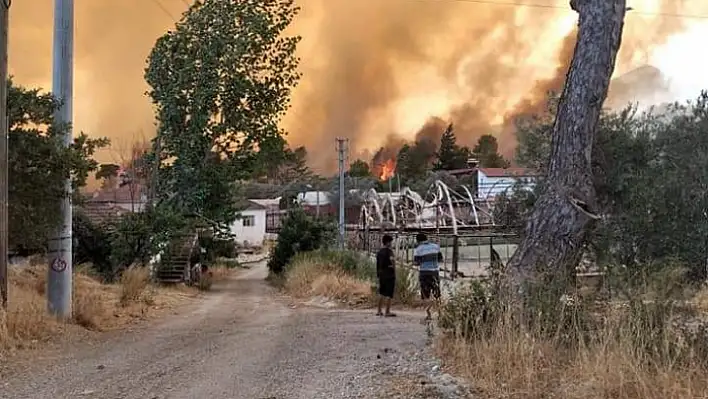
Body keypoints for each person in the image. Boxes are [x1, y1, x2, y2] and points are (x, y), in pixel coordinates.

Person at [413, 232, 443, 321]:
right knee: (437, 294)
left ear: (418, 241)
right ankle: (440, 314)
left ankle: (429, 314)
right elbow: (440, 260)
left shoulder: (418, 249)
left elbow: (417, 263)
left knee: (425, 295)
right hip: (435, 273)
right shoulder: (435, 246)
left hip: (424, 273)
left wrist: (415, 263)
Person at [376, 234, 396, 317]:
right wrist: (394, 270)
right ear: (388, 242)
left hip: (381, 274)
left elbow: (377, 264)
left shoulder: (379, 252)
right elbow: (392, 261)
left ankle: (379, 310)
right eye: (390, 242)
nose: (391, 244)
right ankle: (387, 311)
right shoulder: (389, 252)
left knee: (381, 292)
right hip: (389, 274)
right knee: (389, 293)